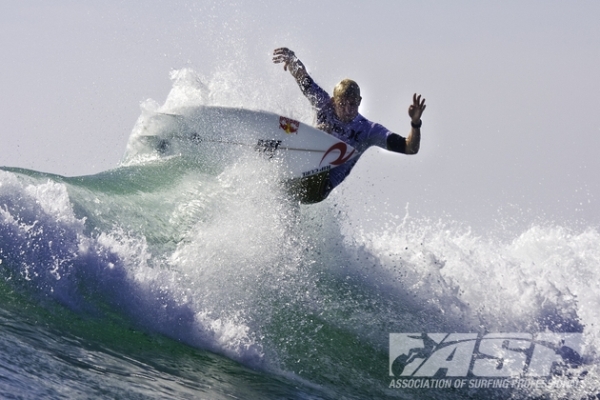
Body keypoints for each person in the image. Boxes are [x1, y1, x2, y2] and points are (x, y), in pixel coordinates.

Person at [273, 47, 426, 202]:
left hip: (319, 187)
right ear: (333, 102)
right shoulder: (323, 104)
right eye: (342, 104)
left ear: (359, 101)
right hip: (297, 174)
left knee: (323, 134)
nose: (347, 109)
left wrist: (415, 123)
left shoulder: (368, 130)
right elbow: (303, 78)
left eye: (352, 104)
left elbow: (410, 148)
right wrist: (292, 60)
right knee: (303, 132)